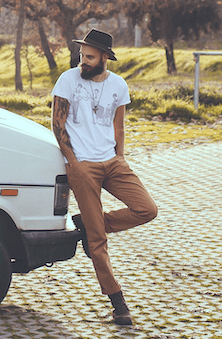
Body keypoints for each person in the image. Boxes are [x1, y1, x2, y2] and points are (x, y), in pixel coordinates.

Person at [51, 29, 157, 326]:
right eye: (82, 56)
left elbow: (119, 126)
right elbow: (57, 124)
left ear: (105, 59)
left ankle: (90, 223)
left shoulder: (118, 86)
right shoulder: (67, 80)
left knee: (147, 209)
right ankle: (118, 303)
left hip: (112, 161)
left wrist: (119, 157)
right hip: (83, 165)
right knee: (97, 242)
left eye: (90, 57)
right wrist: (74, 162)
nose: (83, 61)